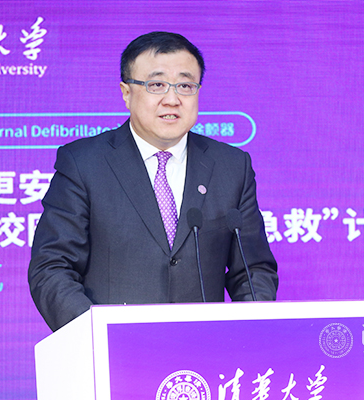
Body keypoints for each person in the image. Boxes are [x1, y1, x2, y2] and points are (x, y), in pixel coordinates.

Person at [28, 31, 278, 331]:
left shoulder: (232, 166)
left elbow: (252, 271)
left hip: (205, 348)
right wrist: (96, 336)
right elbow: (52, 268)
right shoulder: (83, 163)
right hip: (113, 350)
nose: (172, 99)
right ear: (126, 92)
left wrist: (248, 334)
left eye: (185, 86)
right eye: (156, 85)